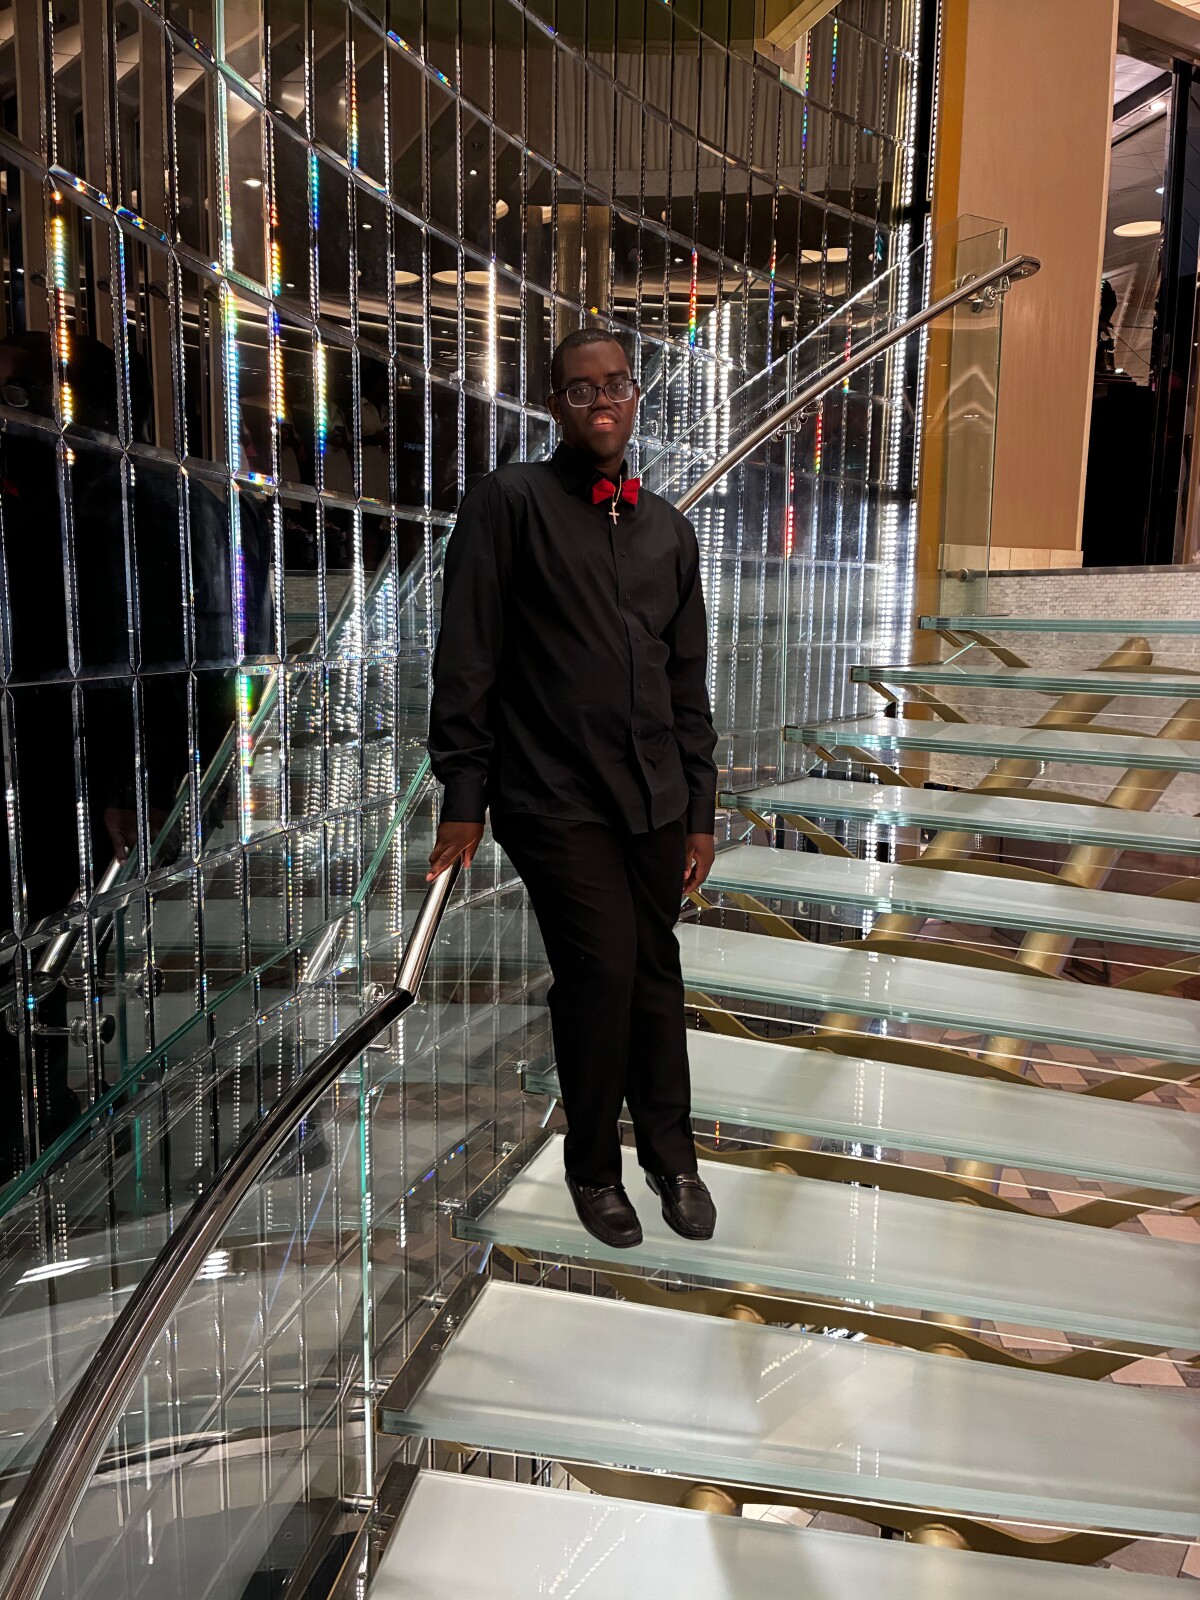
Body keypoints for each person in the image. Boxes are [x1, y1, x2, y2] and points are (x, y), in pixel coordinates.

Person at [425, 328, 719, 1250]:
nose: (602, 401)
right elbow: (467, 655)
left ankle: (672, 1156)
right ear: (556, 403)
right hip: (552, 794)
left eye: (616, 384)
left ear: (635, 395)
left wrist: (701, 809)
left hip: (655, 796)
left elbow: (687, 685)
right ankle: (593, 1166)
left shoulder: (669, 530)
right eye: (581, 389)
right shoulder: (509, 503)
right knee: (601, 972)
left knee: (655, 969)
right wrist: (464, 793)